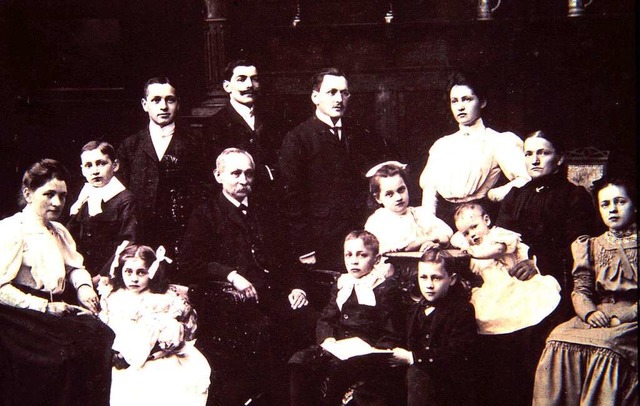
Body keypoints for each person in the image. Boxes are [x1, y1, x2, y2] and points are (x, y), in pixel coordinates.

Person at [179, 148, 314, 406]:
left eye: (249, 174)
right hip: (232, 303)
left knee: (312, 322)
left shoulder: (266, 212)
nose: (244, 180)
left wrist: (298, 288)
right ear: (218, 176)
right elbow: (188, 263)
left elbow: (288, 258)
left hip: (274, 294)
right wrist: (230, 274)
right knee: (266, 334)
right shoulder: (206, 213)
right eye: (236, 173)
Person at [0, 159, 115, 406]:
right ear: (28, 193)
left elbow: (75, 267)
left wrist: (84, 287)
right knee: (66, 357)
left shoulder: (59, 230)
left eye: (62, 196)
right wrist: (43, 307)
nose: (57, 203)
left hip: (56, 309)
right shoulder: (12, 230)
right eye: (49, 194)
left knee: (102, 336)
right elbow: (0, 288)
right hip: (21, 316)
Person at [533, 177, 638, 406]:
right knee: (557, 338)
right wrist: (589, 313)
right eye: (605, 204)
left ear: (635, 205)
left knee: (608, 345)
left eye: (620, 202)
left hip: (632, 316)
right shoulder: (590, 245)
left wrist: (623, 316)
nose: (613, 209)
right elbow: (581, 289)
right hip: (598, 313)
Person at [280, 67, 391, 271]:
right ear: (315, 97)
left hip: (359, 236)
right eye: (331, 92)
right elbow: (292, 199)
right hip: (321, 241)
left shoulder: (359, 132)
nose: (339, 99)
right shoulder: (297, 139)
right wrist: (305, 248)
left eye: (344, 93)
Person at [451, 202, 561, 405]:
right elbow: (455, 237)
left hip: (514, 287)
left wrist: (471, 250)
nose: (471, 235)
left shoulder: (497, 237)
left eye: (474, 227)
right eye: (466, 233)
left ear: (487, 220)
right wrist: (465, 239)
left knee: (522, 324)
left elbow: (496, 250)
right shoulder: (473, 245)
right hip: (494, 294)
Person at [289, 230, 404, 406]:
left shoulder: (385, 289)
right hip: (338, 346)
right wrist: (328, 339)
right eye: (348, 255)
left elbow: (391, 331)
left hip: (368, 352)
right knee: (299, 361)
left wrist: (374, 350)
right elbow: (326, 319)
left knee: (338, 372)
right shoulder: (343, 284)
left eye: (362, 255)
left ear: (377, 259)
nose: (354, 261)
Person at [496, 130, 600, 320]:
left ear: (559, 159)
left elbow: (580, 246)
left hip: (556, 275)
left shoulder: (574, 196)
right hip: (514, 275)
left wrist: (538, 263)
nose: (535, 160)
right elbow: (501, 238)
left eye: (543, 153)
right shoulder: (514, 196)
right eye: (528, 154)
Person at [99, 242, 211, 406]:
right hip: (121, 357)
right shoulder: (114, 296)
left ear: (151, 272)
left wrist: (153, 352)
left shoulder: (161, 299)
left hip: (156, 356)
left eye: (141, 272)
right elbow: (108, 329)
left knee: (162, 385)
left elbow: (173, 335)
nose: (134, 278)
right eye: (128, 272)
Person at [419, 71, 530, 227]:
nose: (460, 107)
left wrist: (494, 194)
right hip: (443, 220)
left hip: (478, 218)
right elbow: (430, 189)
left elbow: (525, 179)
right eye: (455, 101)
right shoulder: (442, 145)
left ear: (482, 102)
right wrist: (428, 223)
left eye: (467, 99)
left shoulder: (497, 140)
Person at [117, 77, 206, 260]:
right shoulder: (130, 146)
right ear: (144, 104)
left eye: (170, 100)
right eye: (156, 100)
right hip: (141, 235)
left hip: (183, 236)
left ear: (178, 104)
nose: (164, 106)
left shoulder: (195, 144)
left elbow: (204, 192)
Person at [390, 249, 478, 406]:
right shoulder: (414, 310)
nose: (429, 285)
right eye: (423, 277)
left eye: (436, 278)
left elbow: (457, 353)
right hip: (416, 381)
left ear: (452, 279)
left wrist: (413, 358)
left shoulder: (462, 310)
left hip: (447, 383)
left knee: (417, 373)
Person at [364, 161, 453, 293]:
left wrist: (433, 243)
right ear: (378, 198)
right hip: (394, 276)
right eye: (389, 194)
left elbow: (446, 233)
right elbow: (403, 247)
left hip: (425, 274)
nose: (398, 197)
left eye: (401, 190)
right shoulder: (378, 221)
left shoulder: (418, 213)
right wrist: (425, 240)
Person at [204, 60, 282, 195]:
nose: (249, 85)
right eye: (241, 79)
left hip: (272, 196)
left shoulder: (274, 119)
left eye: (254, 79)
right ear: (227, 86)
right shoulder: (215, 124)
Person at [67, 141, 139, 282]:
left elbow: (129, 241)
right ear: (82, 170)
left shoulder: (125, 199)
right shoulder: (84, 198)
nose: (95, 171)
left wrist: (103, 275)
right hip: (82, 271)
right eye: (88, 165)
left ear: (115, 165)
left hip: (109, 273)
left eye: (101, 163)